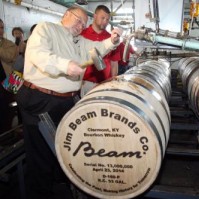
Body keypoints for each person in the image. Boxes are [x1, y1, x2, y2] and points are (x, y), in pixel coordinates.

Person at [16, 6, 122, 198]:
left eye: (83, 23)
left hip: (65, 102)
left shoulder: (79, 40)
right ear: (65, 15)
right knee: (41, 155)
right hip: (41, 99)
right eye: (78, 20)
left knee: (64, 148)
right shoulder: (46, 29)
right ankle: (40, 193)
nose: (81, 25)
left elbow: (96, 48)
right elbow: (39, 55)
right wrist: (65, 65)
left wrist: (112, 41)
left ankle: (58, 184)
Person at [80, 5, 121, 97]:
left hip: (105, 83)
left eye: (107, 19)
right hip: (86, 83)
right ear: (95, 16)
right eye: (102, 18)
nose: (105, 22)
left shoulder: (111, 39)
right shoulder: (82, 34)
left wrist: (113, 82)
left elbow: (114, 63)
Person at [0, 18, 18, 133]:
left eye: (1, 27)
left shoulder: (9, 44)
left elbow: (9, 57)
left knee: (7, 109)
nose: (0, 30)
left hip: (7, 81)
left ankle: (7, 134)